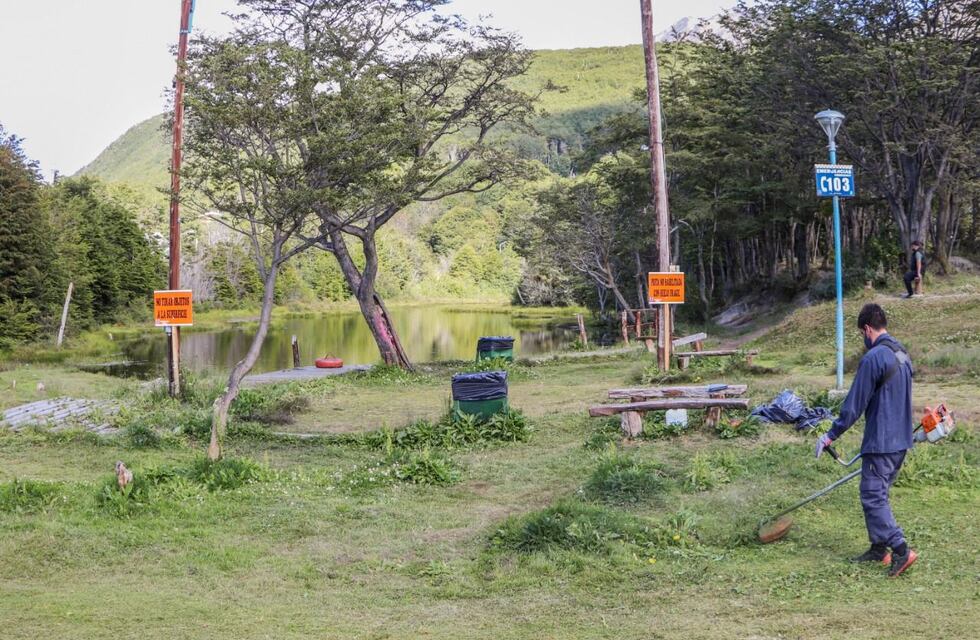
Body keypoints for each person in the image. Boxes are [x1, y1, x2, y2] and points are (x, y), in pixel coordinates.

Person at [815, 303, 918, 577]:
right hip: (901, 440)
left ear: (867, 329)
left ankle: (900, 549)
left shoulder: (873, 358)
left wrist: (830, 435)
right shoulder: (902, 355)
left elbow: (853, 405)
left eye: (862, 333)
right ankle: (878, 548)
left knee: (872, 496)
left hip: (882, 441)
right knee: (879, 493)